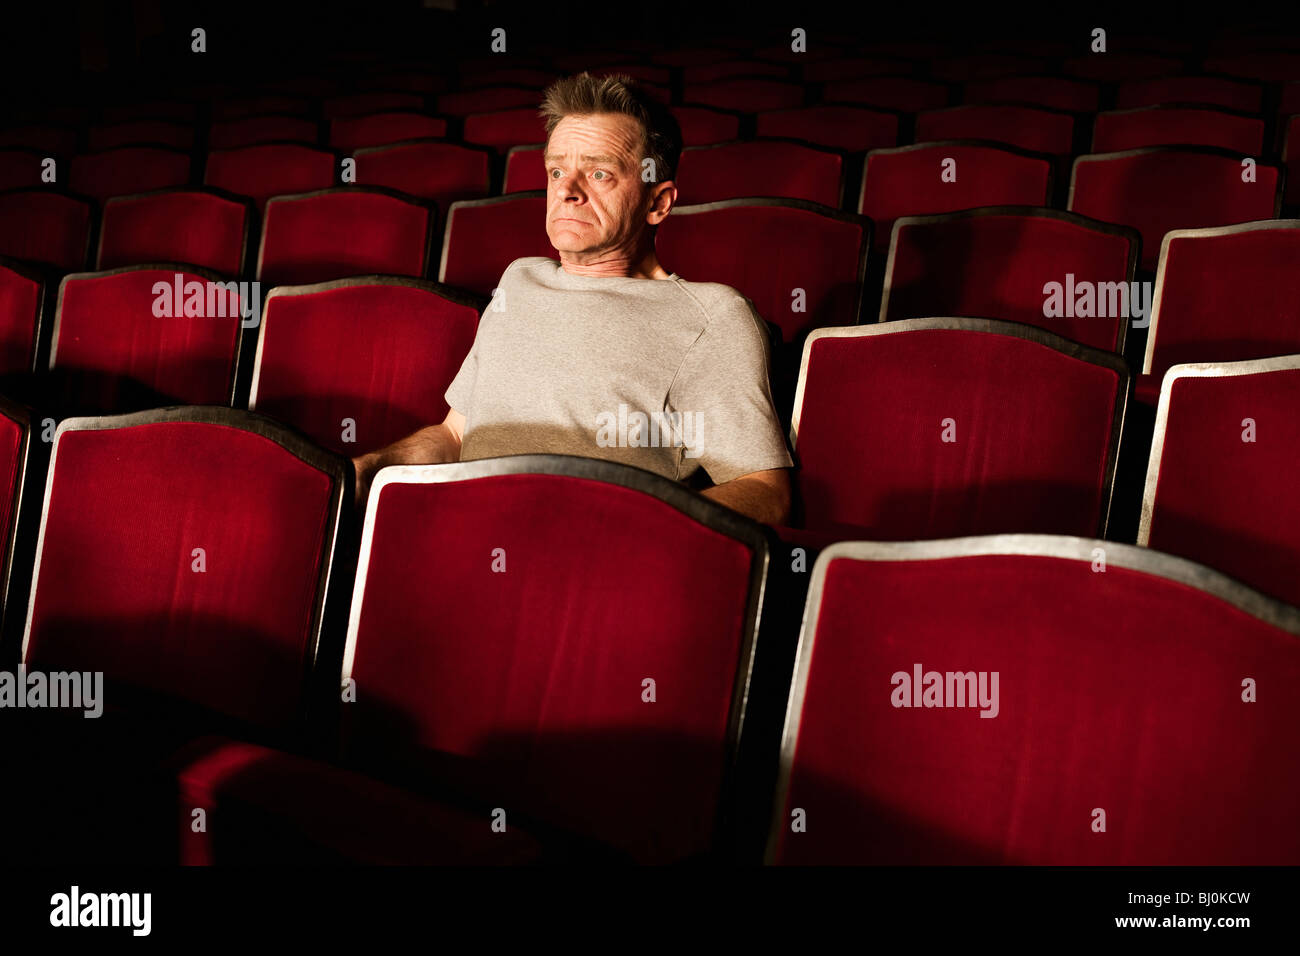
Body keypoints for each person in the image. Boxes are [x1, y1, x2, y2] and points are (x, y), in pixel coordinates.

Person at [352, 71, 792, 524]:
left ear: (657, 203)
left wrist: (630, 531)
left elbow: (764, 491)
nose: (566, 189)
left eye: (599, 173)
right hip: (458, 534)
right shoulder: (519, 282)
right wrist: (369, 470)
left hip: (577, 566)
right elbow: (455, 435)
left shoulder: (712, 316)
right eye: (557, 170)